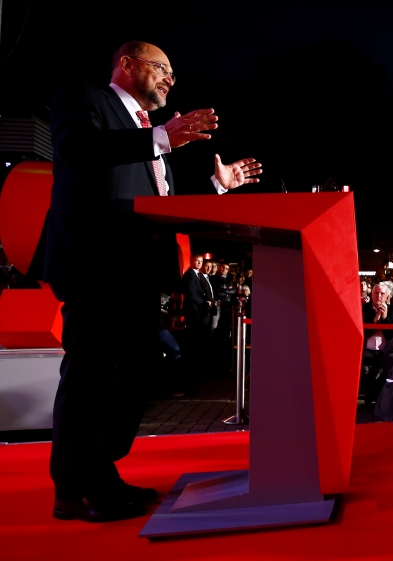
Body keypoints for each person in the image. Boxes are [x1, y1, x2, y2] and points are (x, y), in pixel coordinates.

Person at [44, 41, 261, 523]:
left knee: (131, 378)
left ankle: (100, 471)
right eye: (161, 68)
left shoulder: (148, 133)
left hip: (140, 272)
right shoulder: (85, 99)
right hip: (96, 265)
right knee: (90, 377)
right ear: (127, 64)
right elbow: (78, 150)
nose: (169, 80)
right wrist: (160, 137)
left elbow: (155, 204)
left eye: (172, 74)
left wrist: (217, 187)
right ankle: (74, 489)